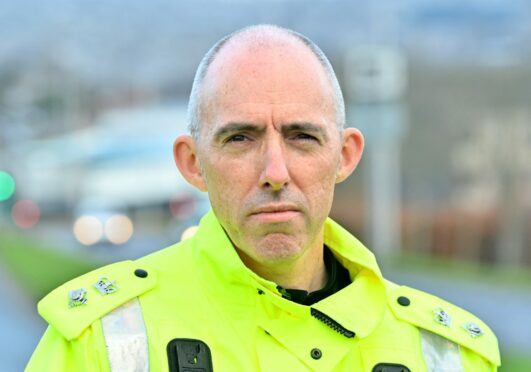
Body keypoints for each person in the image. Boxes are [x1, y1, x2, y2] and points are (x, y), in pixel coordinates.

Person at [27, 24, 500, 371]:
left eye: (301, 137)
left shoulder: (447, 354)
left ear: (345, 156)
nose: (275, 173)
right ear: (192, 163)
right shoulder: (96, 340)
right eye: (240, 139)